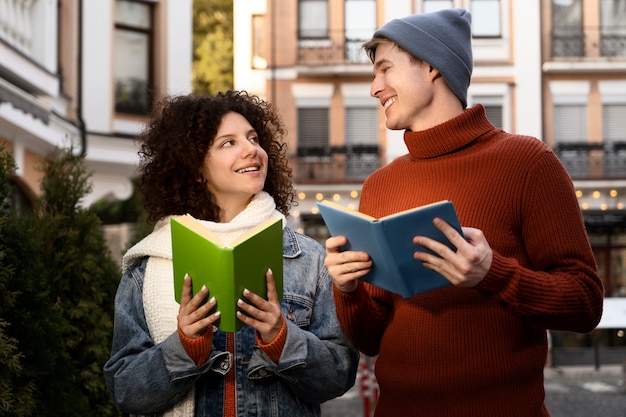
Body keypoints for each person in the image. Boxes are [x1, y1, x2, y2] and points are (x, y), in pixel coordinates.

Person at [323, 8, 604, 417]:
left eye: (385, 70)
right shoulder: (378, 185)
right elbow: (371, 339)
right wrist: (346, 291)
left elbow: (586, 303)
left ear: (432, 66)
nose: (374, 88)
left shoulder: (528, 163)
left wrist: (492, 274)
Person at [104, 91, 359, 417]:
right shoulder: (147, 267)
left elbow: (339, 376)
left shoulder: (309, 260)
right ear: (195, 167)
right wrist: (184, 346)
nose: (251, 149)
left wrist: (282, 338)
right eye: (229, 142)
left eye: (253, 138)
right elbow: (125, 391)